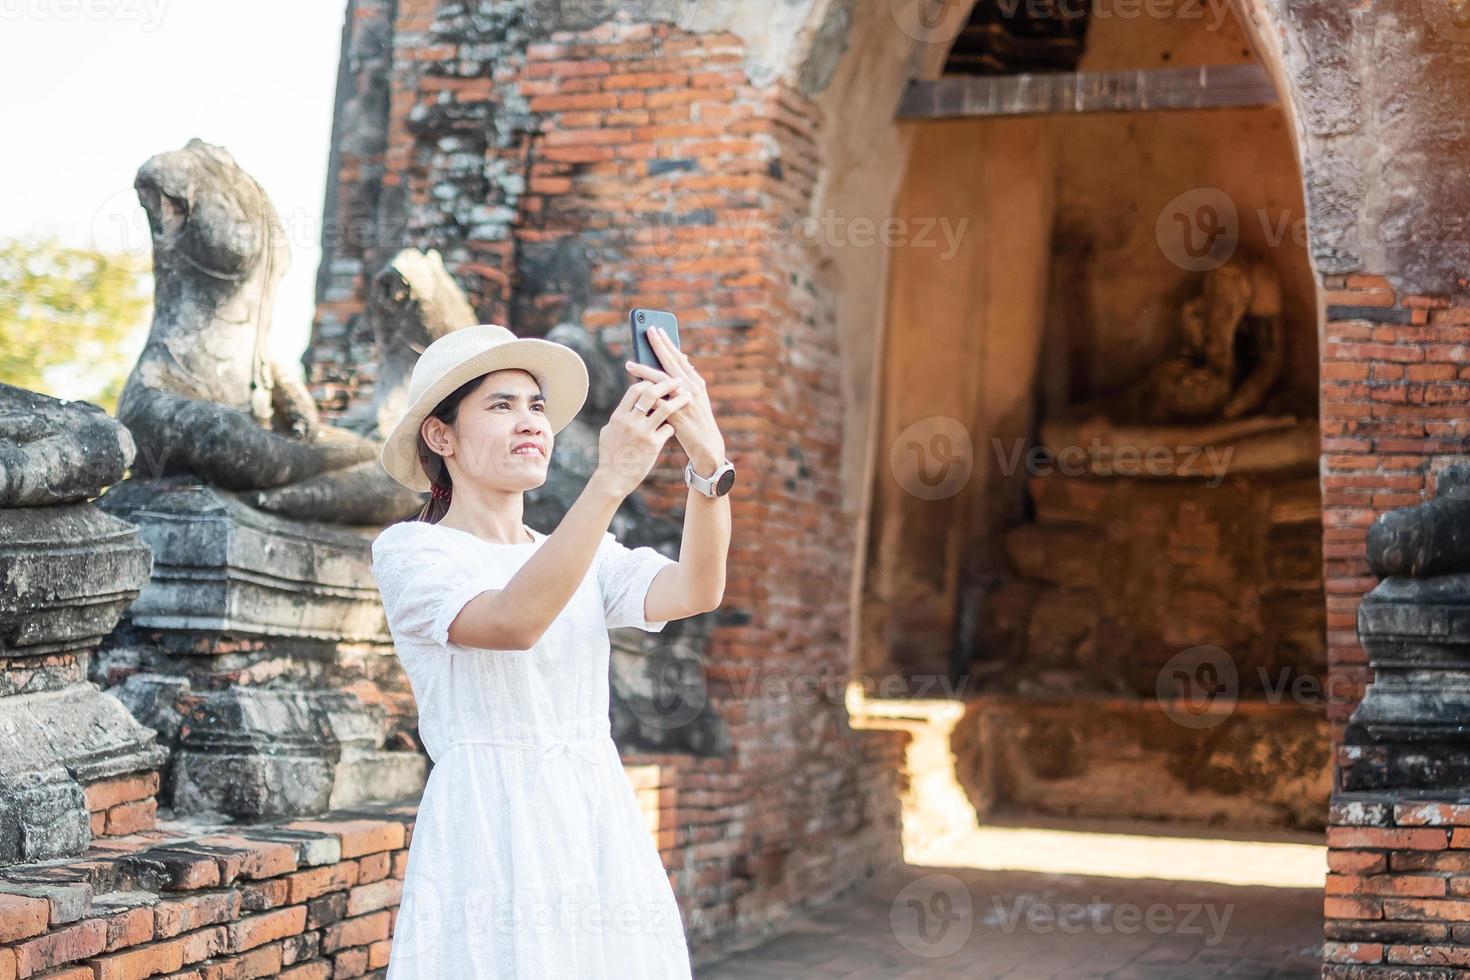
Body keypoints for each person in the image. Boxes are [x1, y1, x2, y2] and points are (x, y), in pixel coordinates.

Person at [369, 322, 733, 978]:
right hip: (488, 824)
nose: (529, 421)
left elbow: (697, 588)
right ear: (440, 435)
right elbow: (512, 622)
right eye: (501, 406)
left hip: (595, 810)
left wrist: (709, 467)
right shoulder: (412, 551)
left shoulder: (582, 552)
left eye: (536, 405)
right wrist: (610, 480)